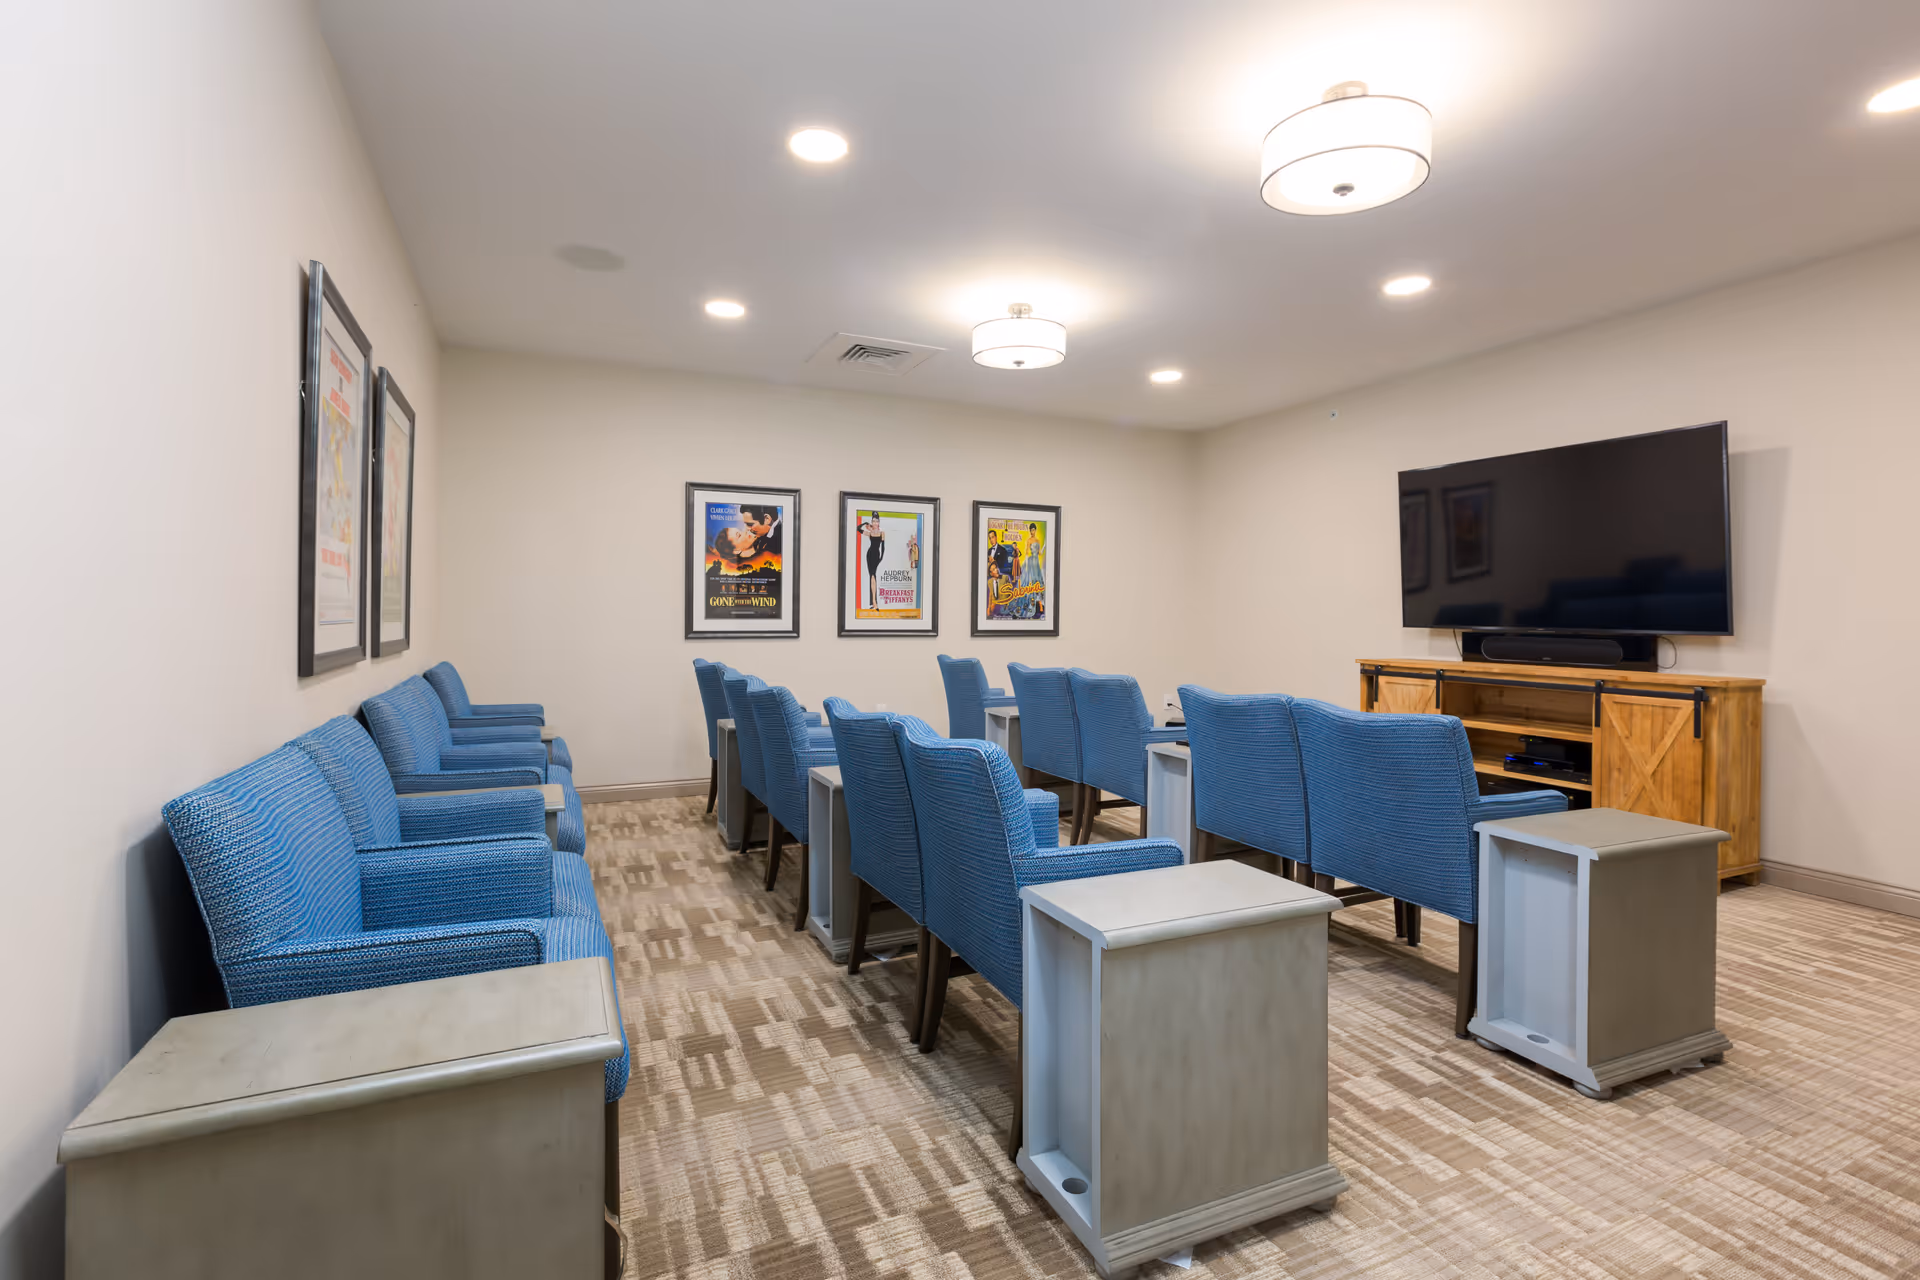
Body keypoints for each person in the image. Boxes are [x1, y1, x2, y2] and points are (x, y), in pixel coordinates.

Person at [858, 511, 885, 611]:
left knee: (873, 577)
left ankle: (874, 602)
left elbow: (883, 547)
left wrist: (881, 558)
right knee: (872, 576)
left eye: (876, 521)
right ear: (871, 522)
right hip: (869, 555)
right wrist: (865, 524)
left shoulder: (882, 533)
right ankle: (874, 603)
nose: (875, 523)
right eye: (873, 521)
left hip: (876, 556)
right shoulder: (869, 533)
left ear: (879, 522)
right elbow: (858, 529)